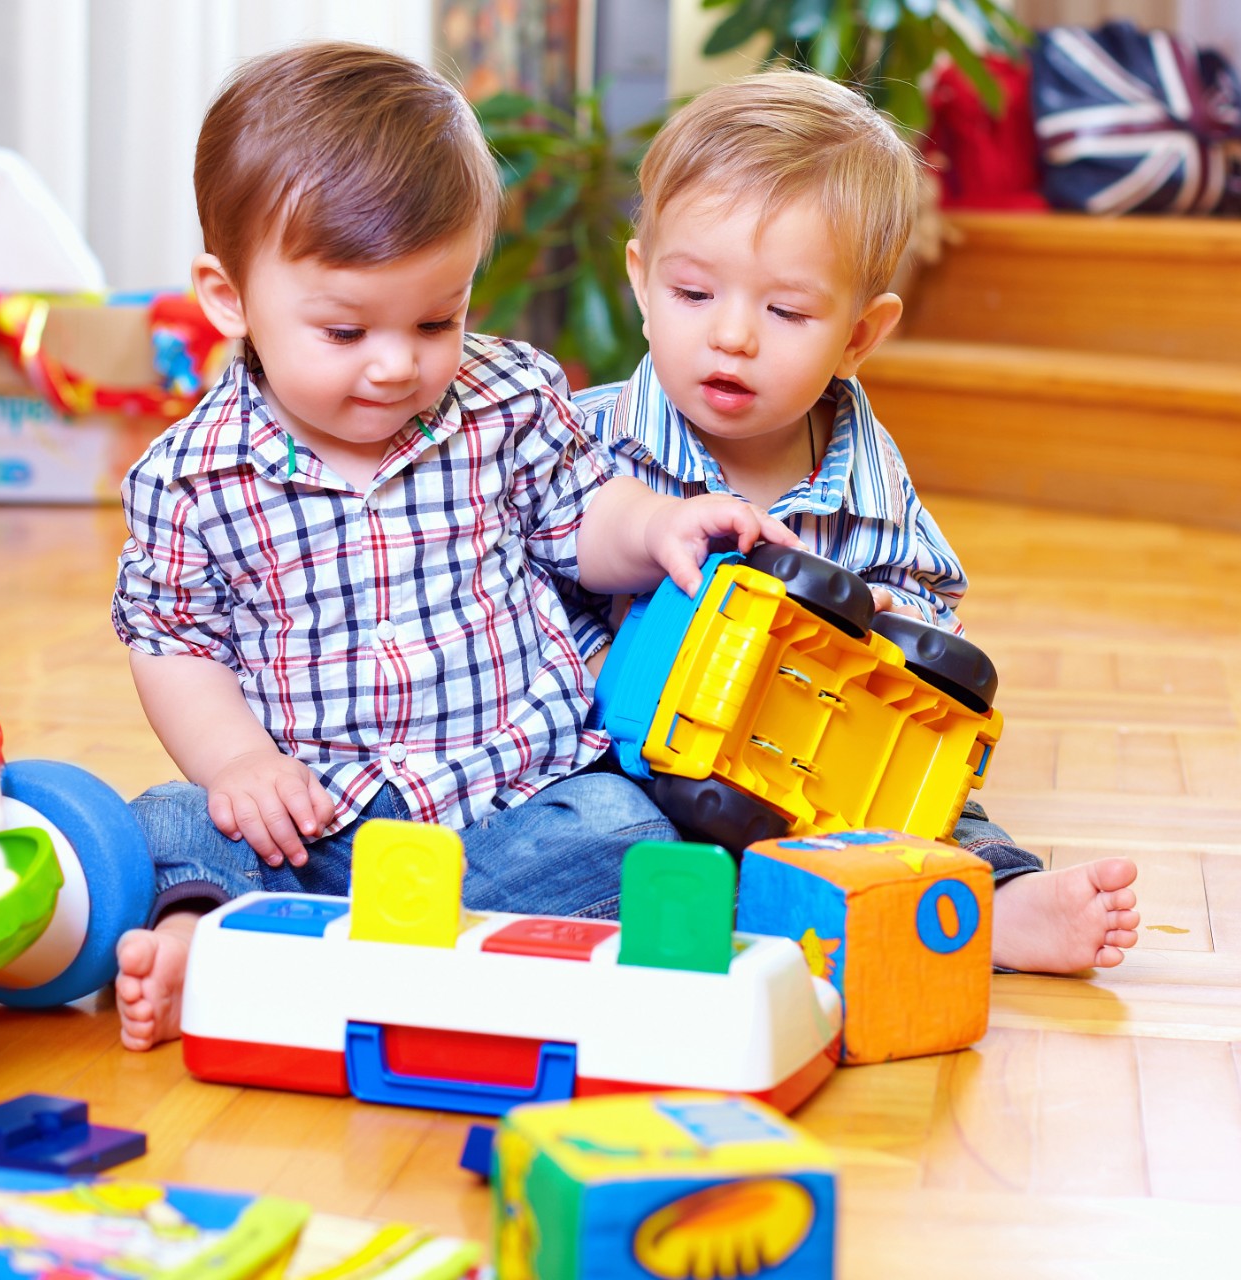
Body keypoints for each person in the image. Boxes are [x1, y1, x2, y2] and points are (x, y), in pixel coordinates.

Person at [109, 43, 795, 1051]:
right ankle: (200, 941)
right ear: (229, 298)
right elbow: (175, 642)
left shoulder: (503, 398)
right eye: (345, 332)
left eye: (439, 318)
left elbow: (582, 518)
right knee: (169, 822)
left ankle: (389, 964)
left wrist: (657, 525)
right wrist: (241, 760)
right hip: (318, 830)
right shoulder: (190, 476)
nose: (397, 365)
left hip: (509, 810)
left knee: (628, 830)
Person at [565, 70, 1140, 975]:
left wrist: (868, 634)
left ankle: (996, 907)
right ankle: (741, 910)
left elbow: (929, 603)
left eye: (786, 311)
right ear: (641, 281)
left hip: (819, 778)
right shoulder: (581, 441)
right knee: (599, 831)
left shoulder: (867, 473)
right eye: (693, 295)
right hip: (639, 767)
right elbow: (525, 590)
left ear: (860, 337)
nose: (733, 337)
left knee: (941, 819)